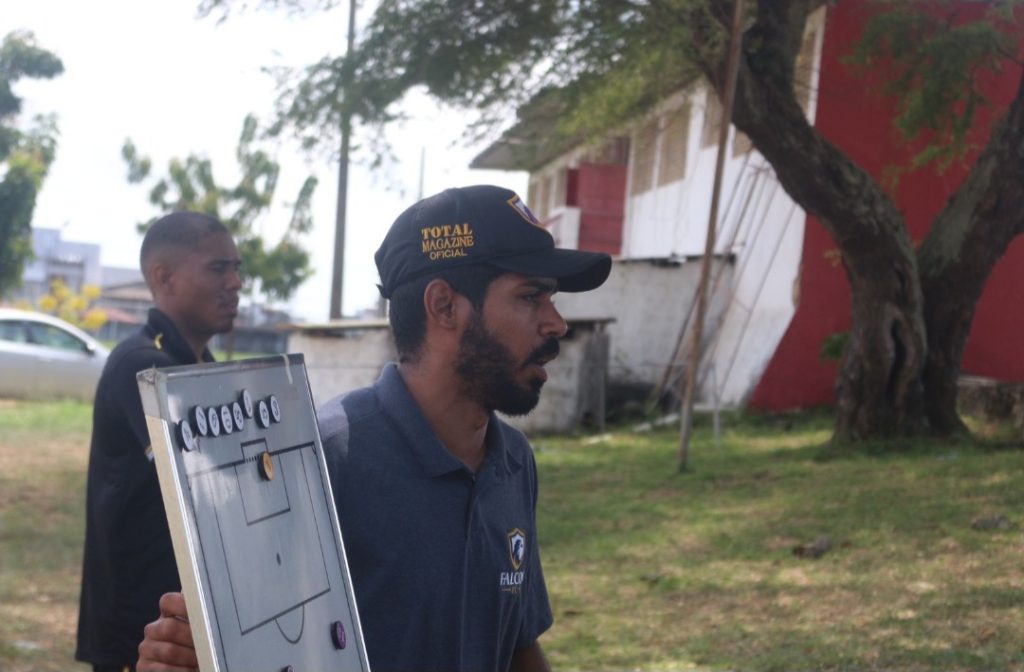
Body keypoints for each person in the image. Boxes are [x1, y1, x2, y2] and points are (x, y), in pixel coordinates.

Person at [136, 185, 611, 672]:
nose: (556, 324)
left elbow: (515, 644)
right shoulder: (318, 464)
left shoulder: (513, 461)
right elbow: (240, 646)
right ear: (444, 306)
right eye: (532, 296)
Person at [76, 212, 242, 672]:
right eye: (218, 268)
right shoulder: (142, 365)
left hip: (189, 625)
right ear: (163, 276)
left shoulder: (201, 366)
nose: (236, 282)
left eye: (237, 268)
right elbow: (215, 478)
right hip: (141, 632)